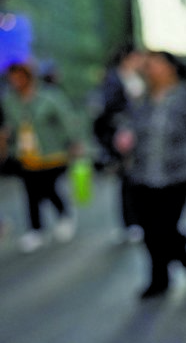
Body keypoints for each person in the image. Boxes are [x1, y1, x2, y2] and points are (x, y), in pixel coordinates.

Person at [114, 51, 186, 299]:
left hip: (176, 175)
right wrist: (124, 136)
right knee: (149, 230)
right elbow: (128, 124)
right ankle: (160, 278)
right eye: (148, 65)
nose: (151, 69)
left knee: (166, 229)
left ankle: (184, 261)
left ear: (171, 67)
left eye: (156, 64)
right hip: (141, 174)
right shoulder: (142, 99)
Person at [1, 61, 82, 253]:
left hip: (51, 152)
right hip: (26, 154)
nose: (15, 82)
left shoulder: (49, 97)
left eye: (19, 77)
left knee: (48, 189)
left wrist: (74, 143)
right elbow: (9, 125)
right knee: (30, 192)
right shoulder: (9, 101)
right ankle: (36, 229)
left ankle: (64, 215)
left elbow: (66, 121)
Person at [94, 43, 145, 243]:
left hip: (139, 137)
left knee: (138, 180)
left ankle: (138, 220)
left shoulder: (139, 77)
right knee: (128, 181)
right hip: (123, 137)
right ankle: (130, 222)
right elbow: (109, 110)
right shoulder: (114, 79)